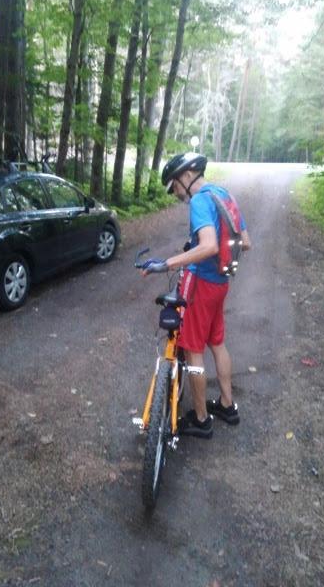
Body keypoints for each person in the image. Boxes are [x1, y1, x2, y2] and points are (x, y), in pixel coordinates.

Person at [142, 152, 251, 439]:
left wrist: (167, 263)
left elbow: (209, 246)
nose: (176, 193)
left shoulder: (201, 201)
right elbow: (246, 242)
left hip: (202, 284)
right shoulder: (223, 194)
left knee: (193, 350)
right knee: (217, 342)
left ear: (187, 176)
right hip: (221, 283)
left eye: (175, 185)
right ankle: (227, 405)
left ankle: (201, 418)